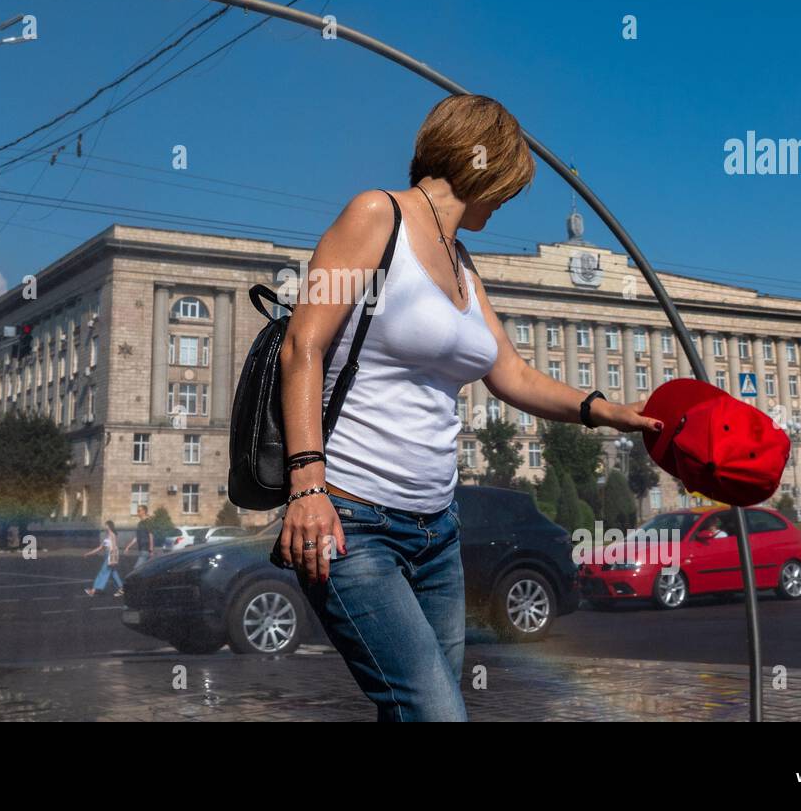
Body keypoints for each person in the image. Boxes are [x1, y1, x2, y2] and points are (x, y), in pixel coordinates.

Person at [277, 94, 662, 722]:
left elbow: (509, 373)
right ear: (484, 165)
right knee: (435, 712)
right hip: (353, 524)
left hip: (437, 533)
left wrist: (608, 410)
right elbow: (304, 343)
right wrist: (306, 486)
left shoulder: (463, 265)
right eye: (510, 182)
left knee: (425, 708)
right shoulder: (375, 217)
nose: (510, 198)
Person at [84, 520, 123, 597]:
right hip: (107, 555)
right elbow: (100, 548)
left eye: (105, 525)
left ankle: (93, 590)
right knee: (113, 573)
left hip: (110, 556)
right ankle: (122, 588)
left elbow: (114, 548)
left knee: (102, 572)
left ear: (108, 526)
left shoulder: (112, 535)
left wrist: (113, 559)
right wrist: (89, 553)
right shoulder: (107, 535)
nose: (104, 527)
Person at [127, 505, 156, 570]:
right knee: (145, 568)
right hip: (141, 549)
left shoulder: (148, 522)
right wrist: (128, 546)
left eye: (139, 511)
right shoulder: (140, 523)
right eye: (137, 511)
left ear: (144, 511)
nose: (137, 513)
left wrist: (151, 550)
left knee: (137, 568)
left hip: (146, 549)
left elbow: (151, 535)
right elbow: (137, 537)